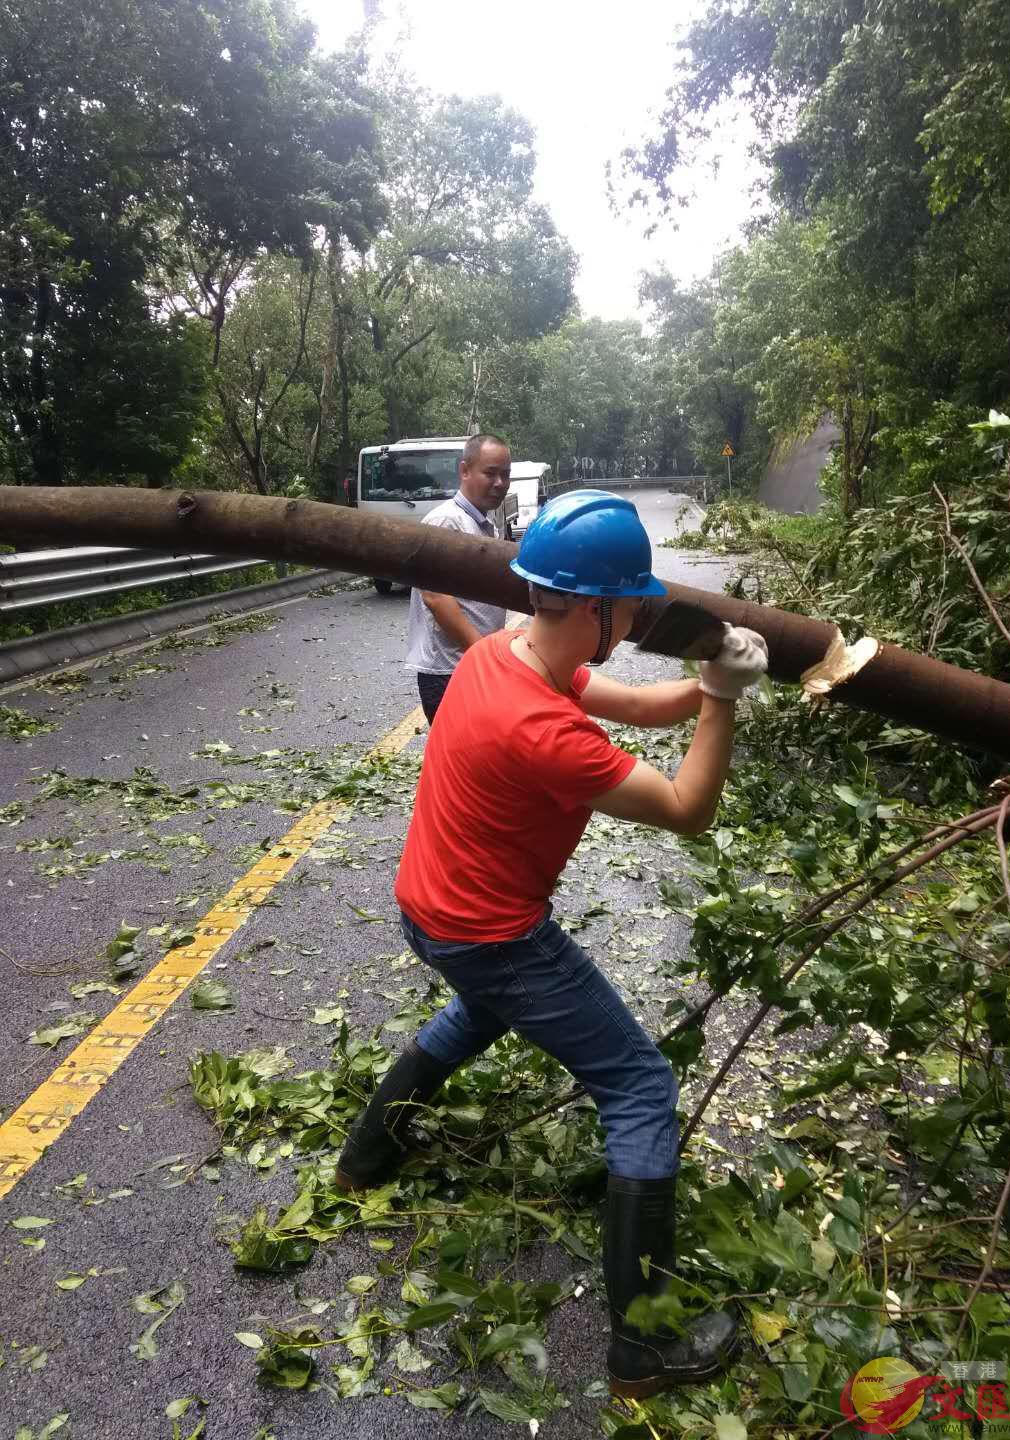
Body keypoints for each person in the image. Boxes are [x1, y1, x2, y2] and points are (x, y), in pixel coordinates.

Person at [337, 489, 768, 1398]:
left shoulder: (507, 652)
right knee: (641, 1084)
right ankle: (644, 1347)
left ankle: (365, 1157)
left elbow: (640, 708)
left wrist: (711, 681)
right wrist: (724, 705)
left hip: (430, 909)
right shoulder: (545, 732)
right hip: (492, 932)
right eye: (635, 601)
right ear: (603, 609)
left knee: (481, 1015)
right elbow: (690, 810)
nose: (644, 613)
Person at [405, 433, 512, 724]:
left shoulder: (484, 521)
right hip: (449, 673)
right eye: (490, 473)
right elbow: (436, 598)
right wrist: (485, 655)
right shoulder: (446, 522)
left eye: (505, 474)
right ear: (465, 471)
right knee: (461, 762)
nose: (500, 483)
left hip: (471, 667)